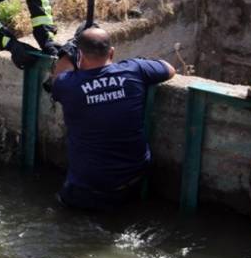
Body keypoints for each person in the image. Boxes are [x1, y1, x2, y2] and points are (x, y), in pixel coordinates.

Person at [50, 26, 175, 211]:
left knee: (60, 209)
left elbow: (56, 79)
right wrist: (135, 64)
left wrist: (67, 55)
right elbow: (169, 69)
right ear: (112, 52)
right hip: (133, 180)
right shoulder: (135, 70)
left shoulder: (68, 85)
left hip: (87, 188)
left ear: (80, 56)